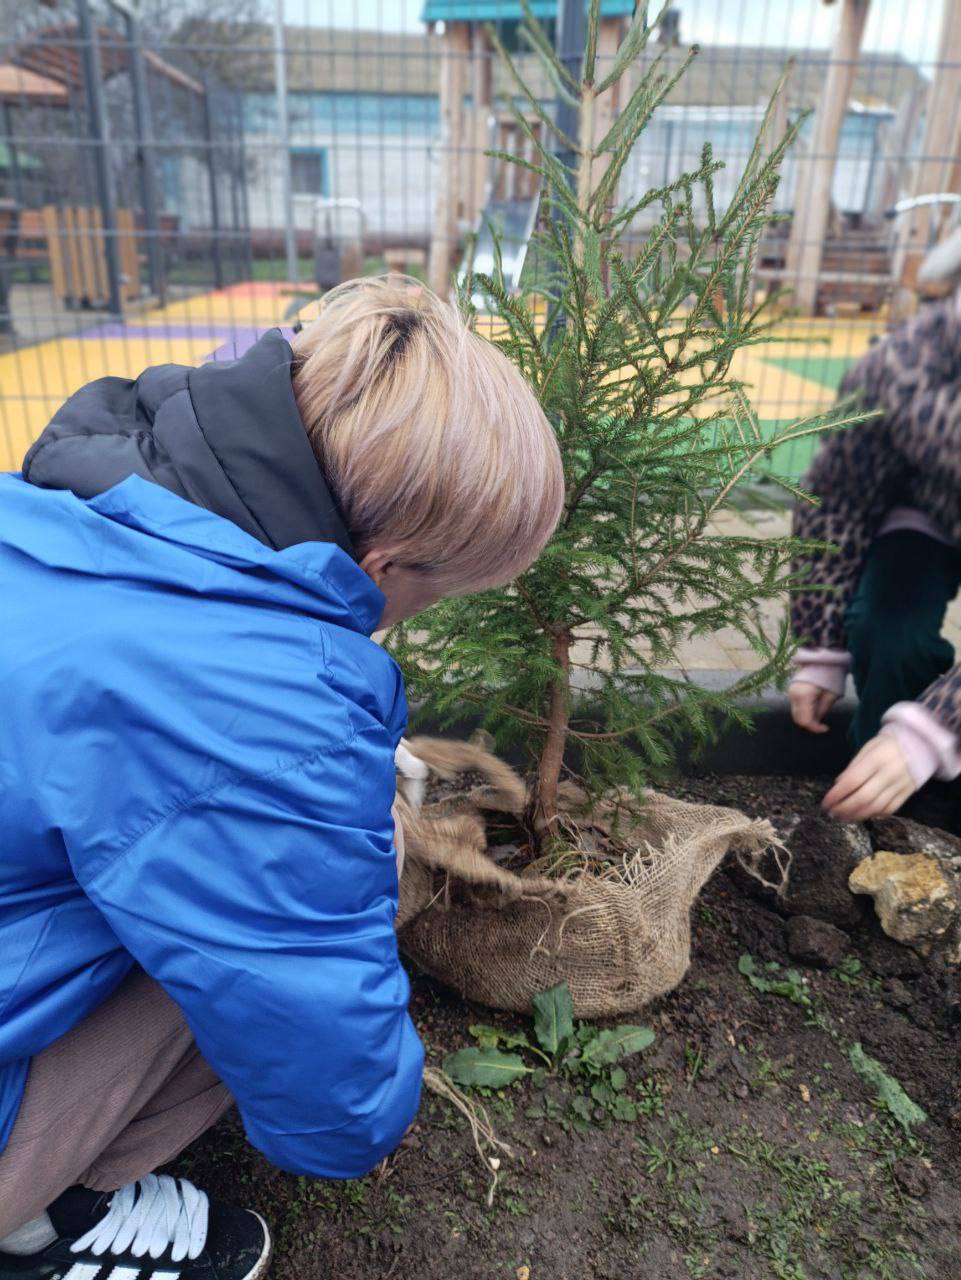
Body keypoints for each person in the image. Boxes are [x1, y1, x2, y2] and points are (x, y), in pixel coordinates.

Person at [0, 277, 565, 1280]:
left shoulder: (64, 502)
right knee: (301, 912)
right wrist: (347, 837)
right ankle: (37, 1221)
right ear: (385, 564)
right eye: (439, 593)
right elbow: (335, 1100)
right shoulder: (259, 702)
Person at [789, 289, 961, 826]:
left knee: (928, 736)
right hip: (934, 508)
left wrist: (934, 729)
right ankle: (892, 818)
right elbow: (837, 499)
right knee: (887, 631)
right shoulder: (899, 367)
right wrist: (821, 649)